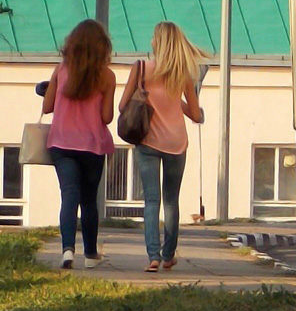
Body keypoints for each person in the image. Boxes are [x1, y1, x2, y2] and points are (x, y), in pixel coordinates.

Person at [119, 21, 206, 272]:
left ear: (159, 42)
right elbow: (195, 115)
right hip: (177, 143)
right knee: (171, 201)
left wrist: (147, 98)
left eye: (154, 38)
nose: (151, 42)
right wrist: (177, 102)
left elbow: (123, 105)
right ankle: (168, 255)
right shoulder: (184, 73)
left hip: (147, 141)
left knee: (151, 201)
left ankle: (153, 257)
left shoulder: (141, 68)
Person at [42, 19, 117, 270]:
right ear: (102, 46)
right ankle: (91, 254)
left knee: (68, 195)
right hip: (92, 145)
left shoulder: (61, 70)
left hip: (62, 143)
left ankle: (67, 250)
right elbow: (107, 117)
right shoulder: (107, 76)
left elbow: (47, 107)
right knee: (88, 200)